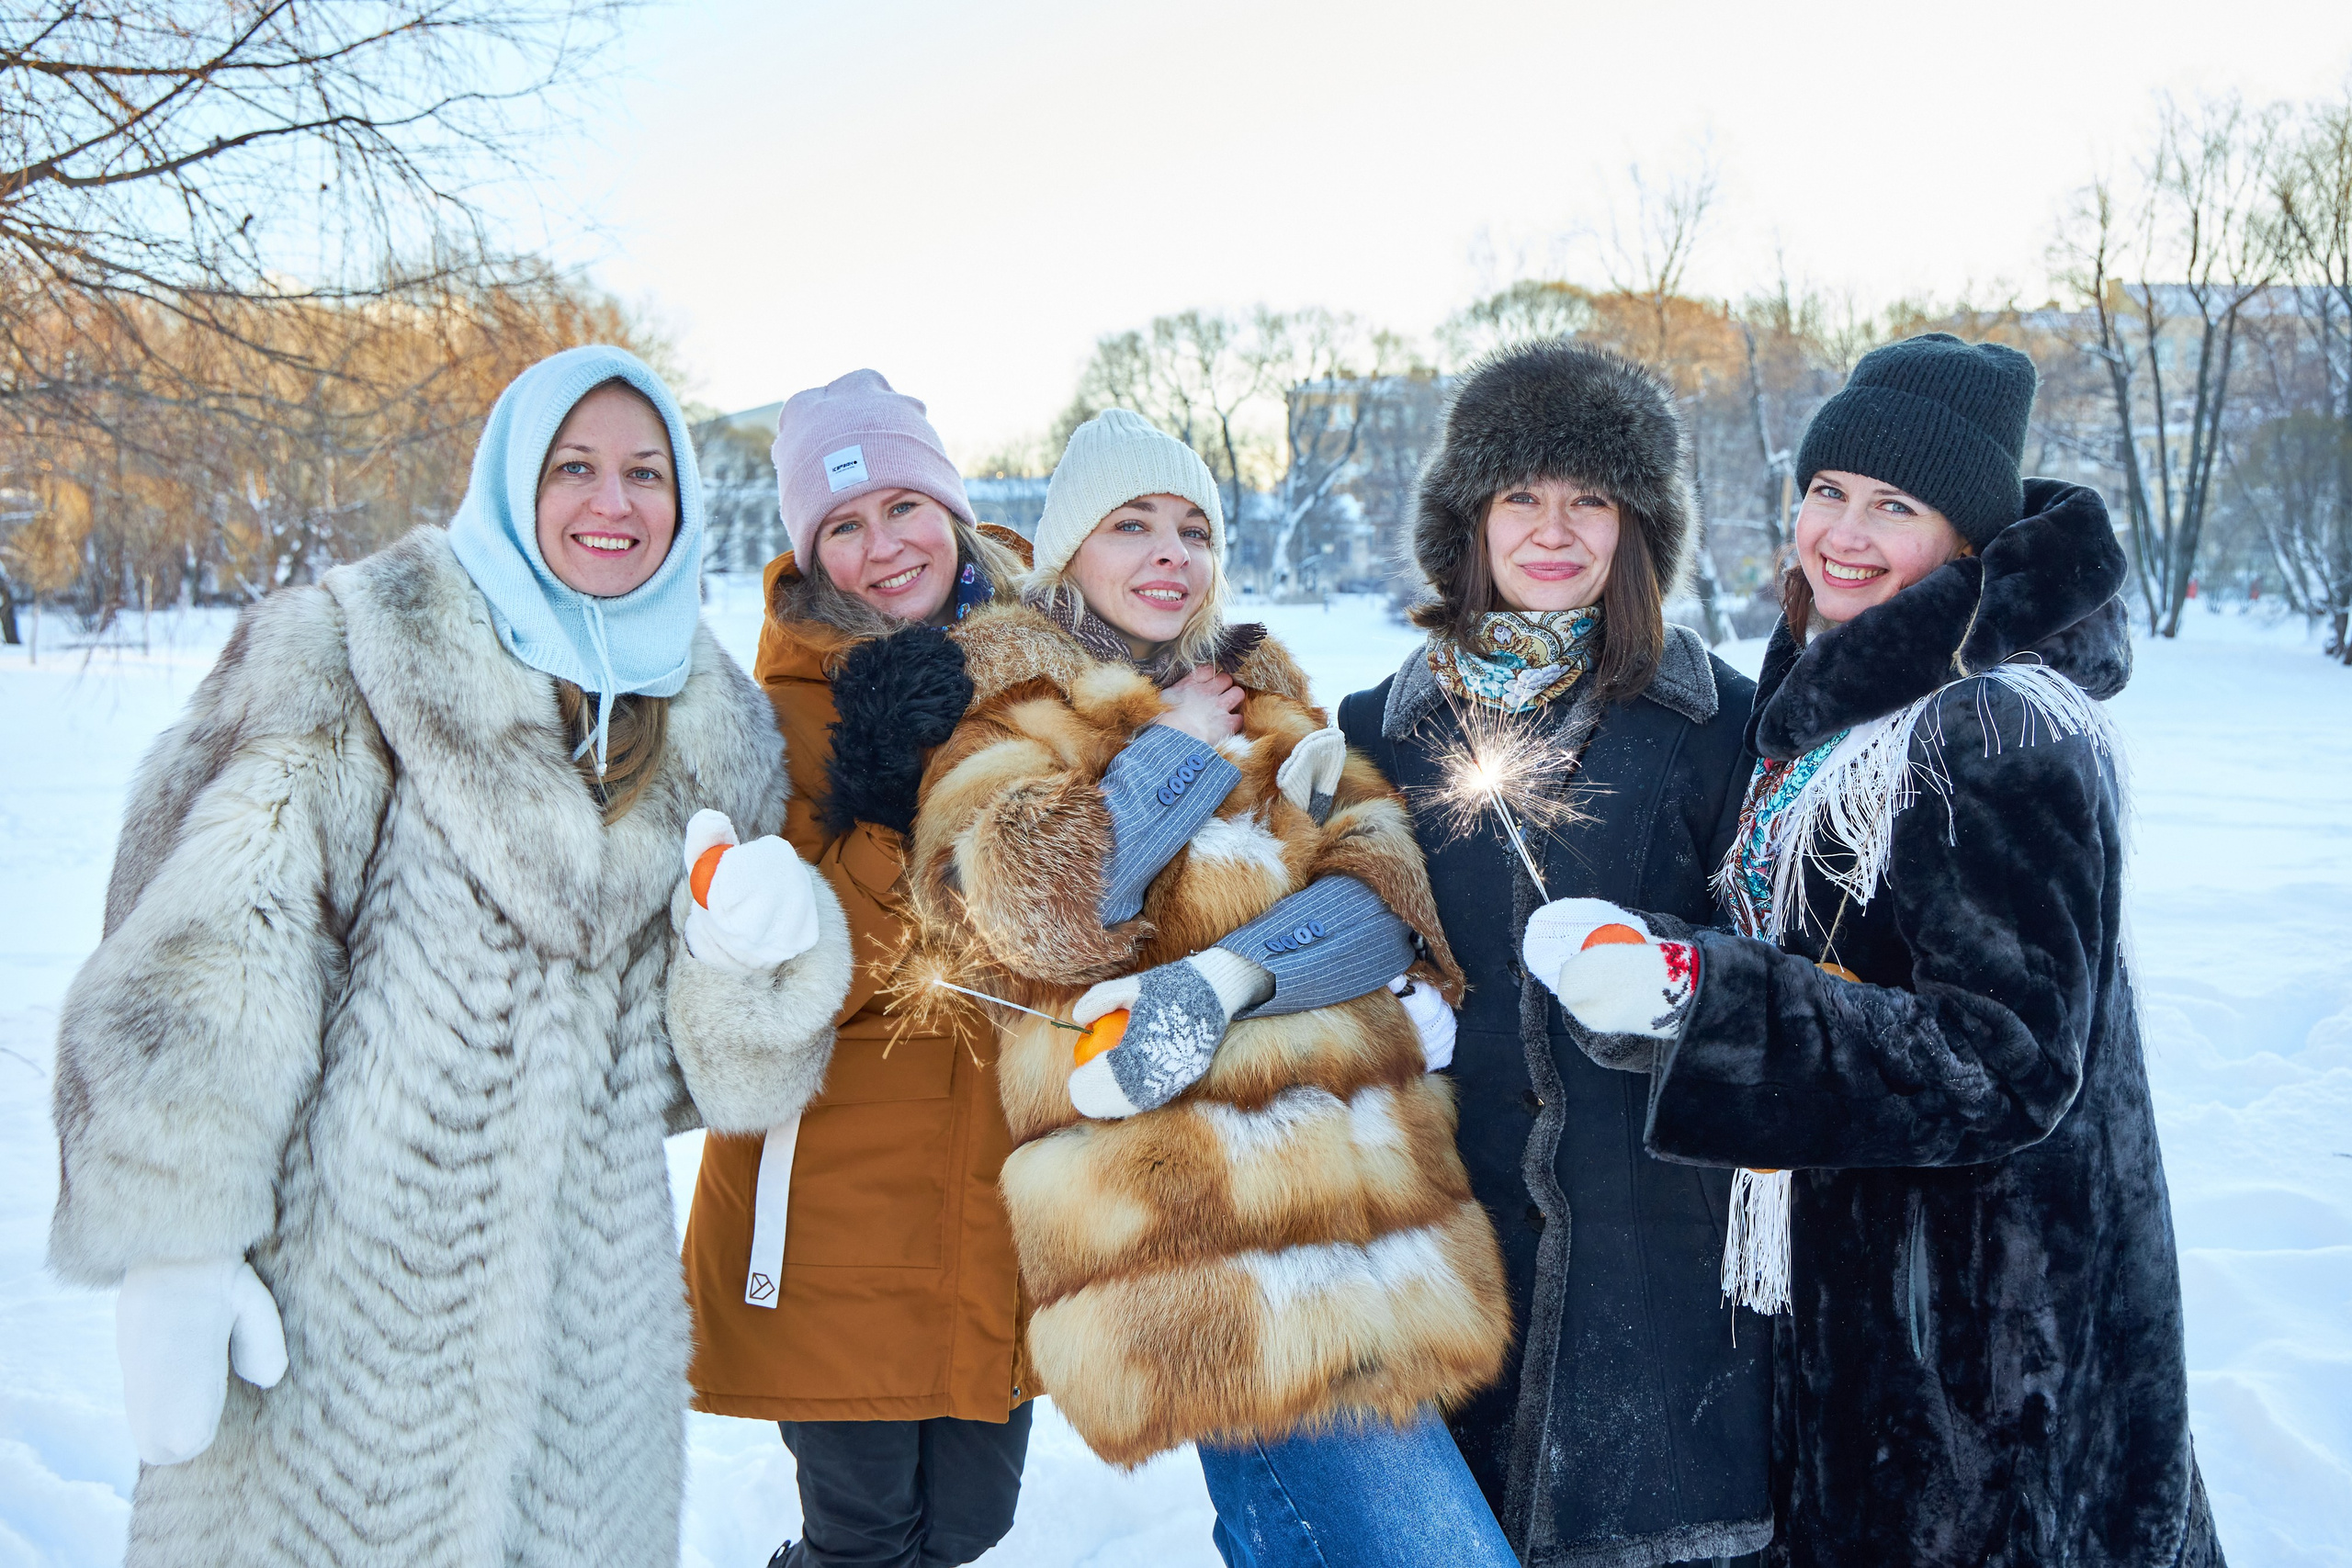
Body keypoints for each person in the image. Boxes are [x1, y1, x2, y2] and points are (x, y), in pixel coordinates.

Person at [47, 344, 854, 1567]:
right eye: (574, 466)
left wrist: (756, 963)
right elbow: (210, 940)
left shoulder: (717, 723)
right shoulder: (355, 648)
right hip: (333, 1327)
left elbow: (702, 1081)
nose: (614, 502)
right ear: (511, 477)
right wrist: (179, 1238)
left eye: (647, 472)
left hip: (584, 1374)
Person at [1534, 333, 2222, 1566]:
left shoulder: (1996, 725)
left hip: (1987, 1346)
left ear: (1967, 537)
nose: (1842, 530)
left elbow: (2003, 1057)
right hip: (1871, 1308)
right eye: (1829, 491)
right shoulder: (1845, 704)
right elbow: (1831, 958)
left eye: (1895, 505)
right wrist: (1659, 968)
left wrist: (1706, 995)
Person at [901, 409, 1517, 1568]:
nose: (1168, 554)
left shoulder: (1273, 711)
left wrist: (1226, 982)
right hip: (1203, 1256)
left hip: (1377, 1223)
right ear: (1067, 549)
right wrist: (1172, 754)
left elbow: (1384, 906)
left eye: (1192, 527)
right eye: (1130, 525)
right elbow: (1038, 914)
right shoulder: (1003, 719)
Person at [1336, 341, 1773, 1568]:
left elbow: (1775, 967)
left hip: (1661, 1240)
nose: (1553, 528)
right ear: (1467, 520)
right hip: (1457, 1230)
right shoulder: (1379, 727)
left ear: (1638, 525)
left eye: (1590, 497)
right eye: (1521, 494)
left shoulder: (1719, 719)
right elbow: (1352, 934)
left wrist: (1671, 974)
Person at [677, 369, 1037, 1568]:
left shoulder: (1043, 668)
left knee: (971, 1522)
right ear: (809, 548)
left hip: (997, 1179)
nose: (881, 547)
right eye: (842, 524)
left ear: (953, 507)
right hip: (830, 1193)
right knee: (867, 1535)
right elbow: (793, 972)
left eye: (901, 506)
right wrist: (887, 792)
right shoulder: (766, 714)